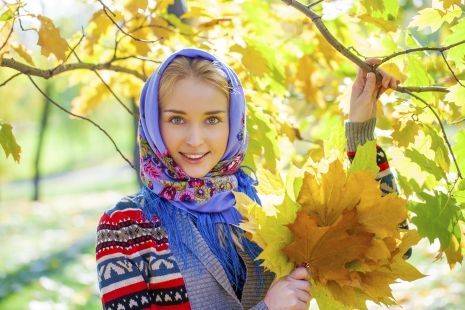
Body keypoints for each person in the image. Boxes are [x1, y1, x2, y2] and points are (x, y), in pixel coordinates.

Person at [95, 49, 402, 310]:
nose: (195, 139)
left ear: (235, 122)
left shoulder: (271, 208)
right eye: (177, 119)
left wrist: (361, 129)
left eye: (213, 119)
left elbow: (384, 249)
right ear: (151, 122)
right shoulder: (125, 229)